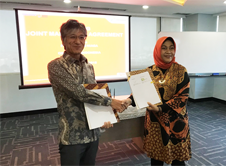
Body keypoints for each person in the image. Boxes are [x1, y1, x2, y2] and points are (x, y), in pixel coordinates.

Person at [47, 19, 124, 166]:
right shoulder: (56, 66)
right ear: (63, 40)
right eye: (72, 37)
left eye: (82, 37)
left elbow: (95, 95)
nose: (78, 41)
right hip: (72, 137)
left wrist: (104, 117)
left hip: (92, 133)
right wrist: (111, 102)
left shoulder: (89, 67)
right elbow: (79, 92)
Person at [121, 36, 192, 166]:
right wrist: (128, 101)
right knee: (156, 159)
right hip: (155, 123)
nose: (168, 52)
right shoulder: (149, 71)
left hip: (176, 122)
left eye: (171, 48)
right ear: (157, 50)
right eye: (164, 48)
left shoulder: (181, 71)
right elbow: (139, 92)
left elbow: (182, 97)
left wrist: (161, 108)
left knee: (178, 160)